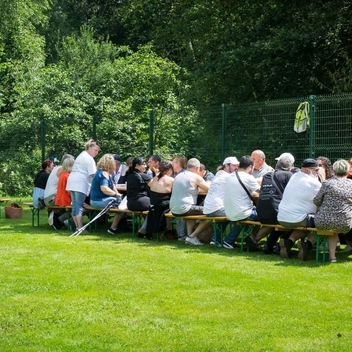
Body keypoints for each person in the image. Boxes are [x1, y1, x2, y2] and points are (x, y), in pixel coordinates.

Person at [247, 153, 295, 253]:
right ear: (290, 167)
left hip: (260, 210)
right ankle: (279, 244)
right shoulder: (289, 175)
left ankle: (265, 244)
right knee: (291, 221)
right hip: (275, 211)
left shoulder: (267, 175)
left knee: (274, 221)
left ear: (277, 165)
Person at [278, 158, 321, 260]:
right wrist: (321, 179)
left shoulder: (293, 177)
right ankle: (307, 245)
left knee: (304, 224)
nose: (317, 173)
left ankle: (289, 242)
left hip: (282, 218)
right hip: (299, 219)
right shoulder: (313, 183)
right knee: (323, 224)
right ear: (307, 170)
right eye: (316, 170)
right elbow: (324, 196)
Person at [313, 159, 352, 262]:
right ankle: (335, 254)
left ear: (334, 171)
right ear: (348, 171)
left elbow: (316, 201)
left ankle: (332, 257)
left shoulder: (327, 183)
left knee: (333, 231)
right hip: (344, 223)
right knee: (336, 228)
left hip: (323, 221)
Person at [170, 158, 211, 246]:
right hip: (185, 208)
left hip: (173, 208)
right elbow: (209, 189)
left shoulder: (178, 176)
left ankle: (189, 237)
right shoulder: (195, 176)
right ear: (197, 168)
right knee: (211, 214)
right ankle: (192, 236)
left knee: (192, 214)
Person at [222, 156, 260, 249]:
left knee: (241, 218)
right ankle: (253, 239)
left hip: (229, 212)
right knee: (265, 216)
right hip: (242, 213)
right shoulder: (248, 177)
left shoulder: (230, 176)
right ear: (250, 167)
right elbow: (261, 192)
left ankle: (228, 241)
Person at [203, 157, 239, 247]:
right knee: (240, 217)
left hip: (209, 208)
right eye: (234, 165)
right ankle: (228, 241)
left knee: (227, 214)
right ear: (226, 166)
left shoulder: (219, 174)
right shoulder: (229, 177)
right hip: (216, 208)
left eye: (237, 165)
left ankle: (216, 240)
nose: (237, 167)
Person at [66, 139, 100, 233]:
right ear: (90, 147)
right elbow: (93, 174)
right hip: (80, 183)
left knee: (75, 206)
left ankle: (78, 227)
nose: (96, 153)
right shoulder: (89, 158)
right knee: (79, 206)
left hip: (72, 182)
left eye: (97, 151)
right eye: (95, 150)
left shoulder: (81, 155)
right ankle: (80, 228)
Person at [90, 154, 124, 235]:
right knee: (122, 206)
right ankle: (113, 228)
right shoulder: (103, 174)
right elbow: (104, 188)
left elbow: (113, 186)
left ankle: (115, 227)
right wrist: (116, 195)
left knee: (121, 204)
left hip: (99, 200)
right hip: (98, 201)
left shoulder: (106, 173)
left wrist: (117, 193)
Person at [126, 157, 153, 238]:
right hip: (141, 202)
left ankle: (147, 230)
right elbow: (155, 187)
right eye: (143, 164)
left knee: (151, 210)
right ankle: (143, 229)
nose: (145, 166)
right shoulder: (144, 176)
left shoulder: (130, 175)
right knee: (157, 207)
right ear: (137, 165)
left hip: (130, 204)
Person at [146, 160, 174, 236]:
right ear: (169, 170)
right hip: (162, 206)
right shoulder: (171, 180)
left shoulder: (154, 179)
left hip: (153, 205)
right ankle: (169, 229)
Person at [53, 157, 75, 230]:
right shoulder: (68, 176)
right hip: (65, 199)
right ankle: (62, 220)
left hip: (59, 199)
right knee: (78, 208)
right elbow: (68, 191)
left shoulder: (62, 175)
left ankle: (60, 220)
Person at [171, 155, 188, 239]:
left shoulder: (184, 174)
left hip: (182, 200)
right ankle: (180, 234)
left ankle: (182, 234)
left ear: (179, 163)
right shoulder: (173, 173)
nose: (172, 164)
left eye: (173, 162)